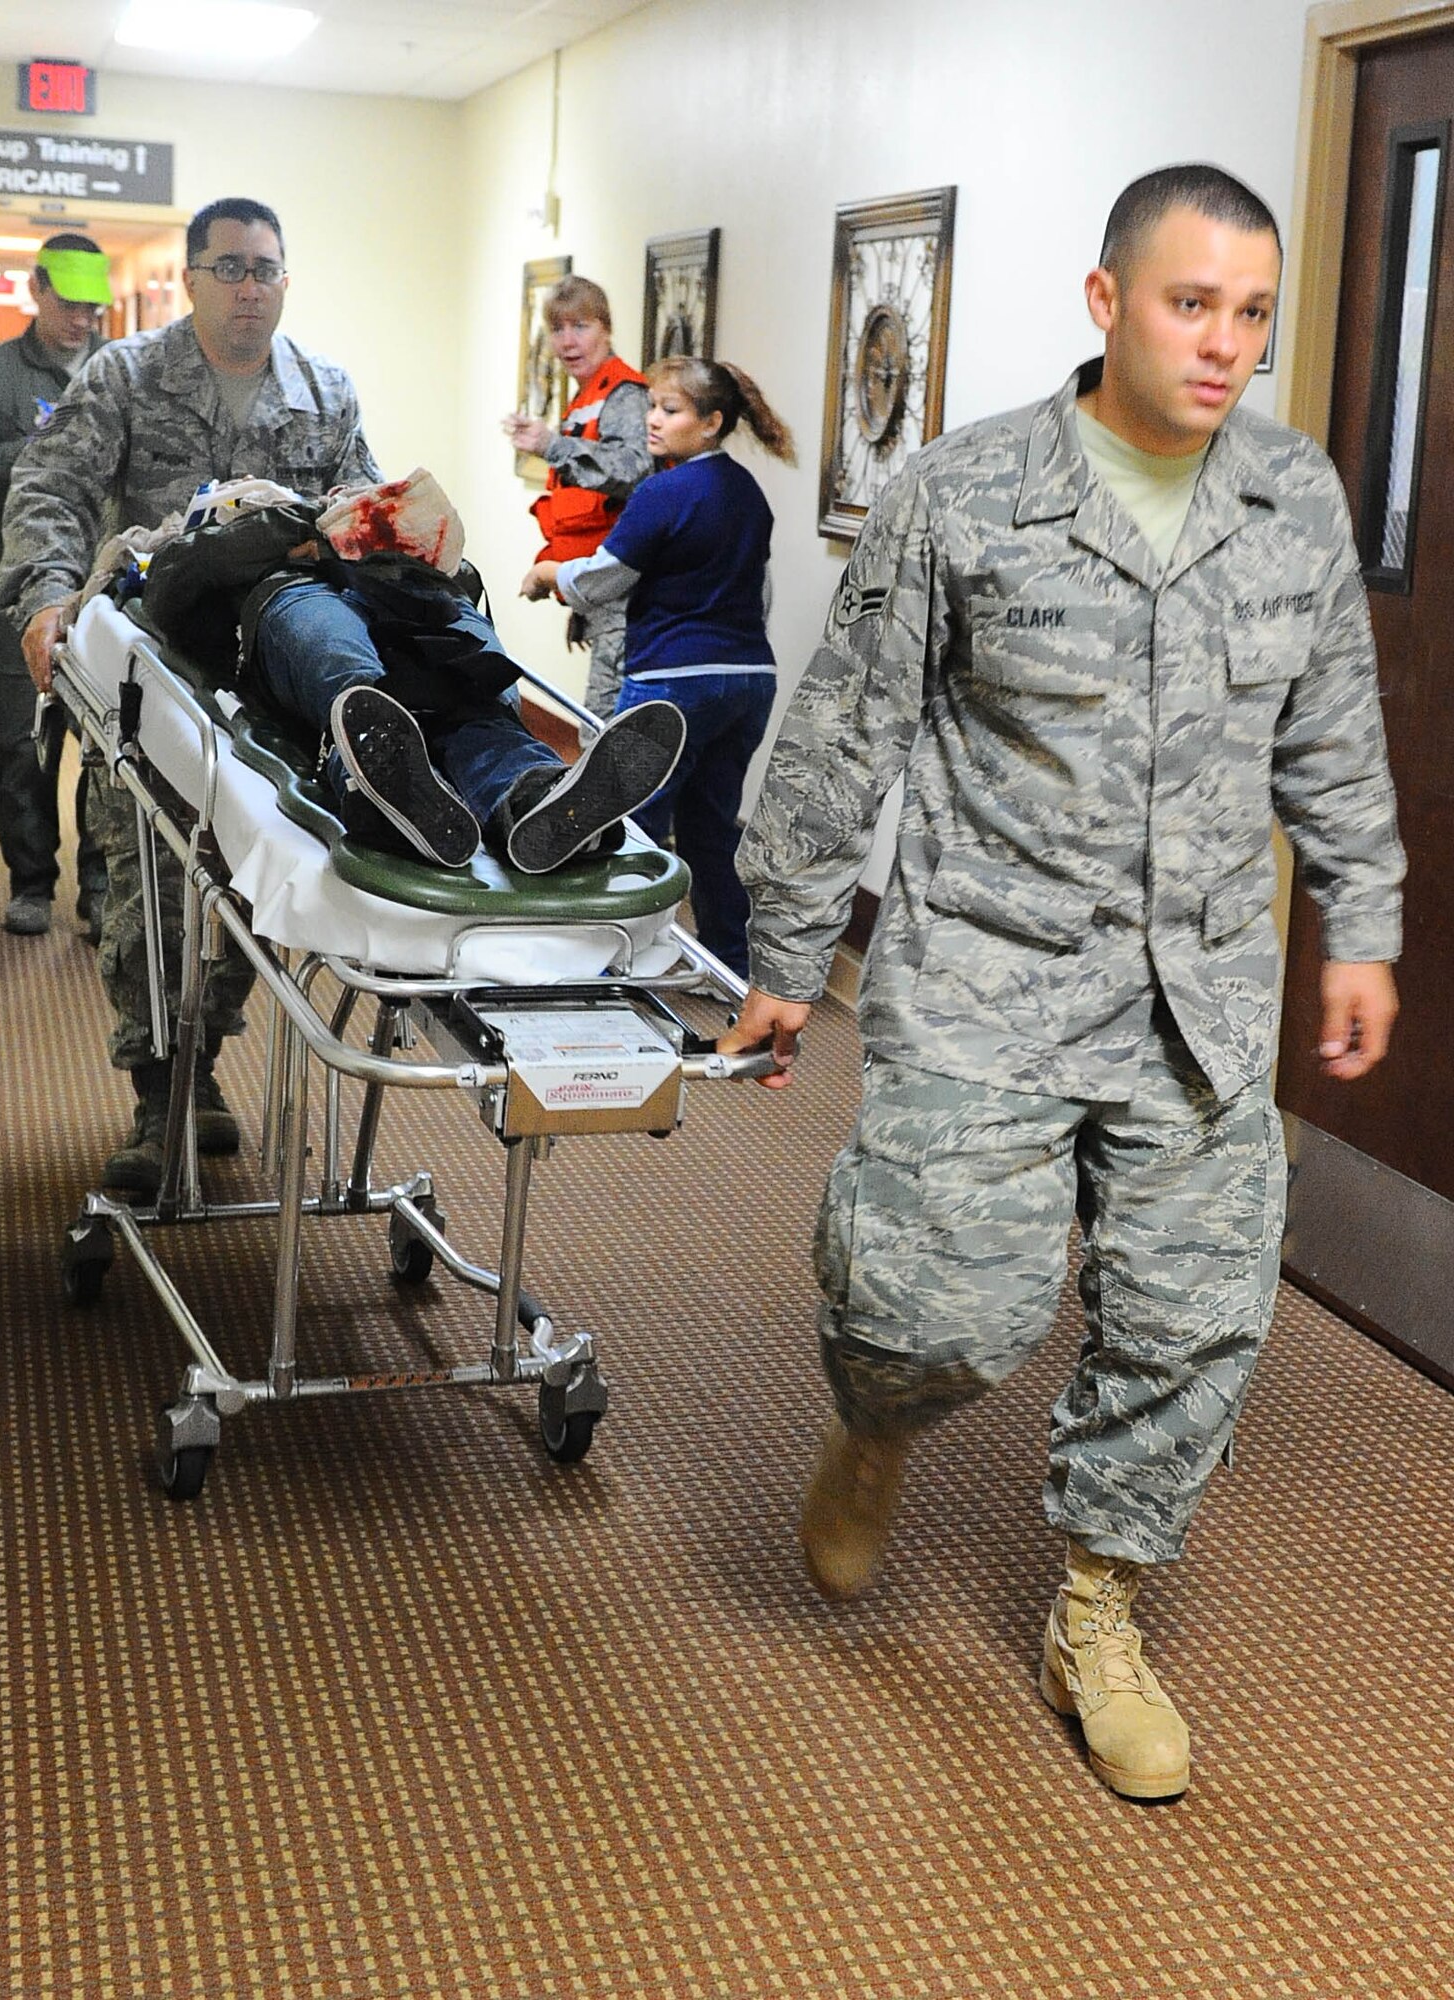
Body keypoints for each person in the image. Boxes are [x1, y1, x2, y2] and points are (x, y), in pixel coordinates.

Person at [719, 164, 1404, 1801]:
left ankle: (1097, 1610)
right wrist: (788, 953)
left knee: (1189, 1323)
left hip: (1200, 1002)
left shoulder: (1293, 499)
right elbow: (845, 729)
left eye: (1252, 312)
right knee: (931, 1312)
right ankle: (878, 1422)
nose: (1225, 342)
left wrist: (1364, 923)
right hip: (986, 980)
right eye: (1191, 302)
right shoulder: (964, 494)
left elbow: (1329, 730)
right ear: (1107, 302)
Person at [0, 195, 380, 1199]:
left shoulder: (325, 393)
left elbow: (361, 513)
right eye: (230, 268)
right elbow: (49, 491)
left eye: (266, 269)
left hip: (271, 685)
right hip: (152, 676)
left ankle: (201, 1057)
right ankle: (157, 1090)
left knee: (250, 881)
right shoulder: (125, 375)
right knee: (151, 883)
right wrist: (47, 596)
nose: (250, 288)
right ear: (192, 278)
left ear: (284, 280)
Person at [136, 472, 685, 893]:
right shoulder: (224, 536)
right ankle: (383, 788)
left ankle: (535, 798)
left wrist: (380, 532)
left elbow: (462, 576)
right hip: (291, 594)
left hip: (410, 597)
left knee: (478, 695)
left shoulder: (365, 514)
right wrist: (301, 524)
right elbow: (169, 584)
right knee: (352, 681)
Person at [521, 357, 795, 979]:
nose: (652, 420)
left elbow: (603, 578)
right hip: (749, 681)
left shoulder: (663, 492)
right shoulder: (748, 492)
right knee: (710, 827)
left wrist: (548, 575)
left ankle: (609, 964)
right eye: (652, 407)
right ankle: (728, 966)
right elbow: (761, 592)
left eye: (670, 411)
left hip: (672, 682)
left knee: (628, 824)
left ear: (711, 422)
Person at [0, 233, 111, 939]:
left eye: (94, 308)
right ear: (36, 289)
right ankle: (31, 882)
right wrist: (44, 448)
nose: (83, 320)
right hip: (21, 585)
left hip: (106, 594)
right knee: (19, 745)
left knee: (108, 746)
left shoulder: (121, 370)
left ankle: (101, 882)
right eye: (70, 305)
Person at [503, 276, 651, 721]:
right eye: (558, 329)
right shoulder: (586, 397)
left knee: (603, 731)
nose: (568, 341)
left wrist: (552, 446)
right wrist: (583, 605)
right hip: (601, 594)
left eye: (581, 326)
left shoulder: (624, 395)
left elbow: (633, 471)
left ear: (606, 328)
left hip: (629, 595)